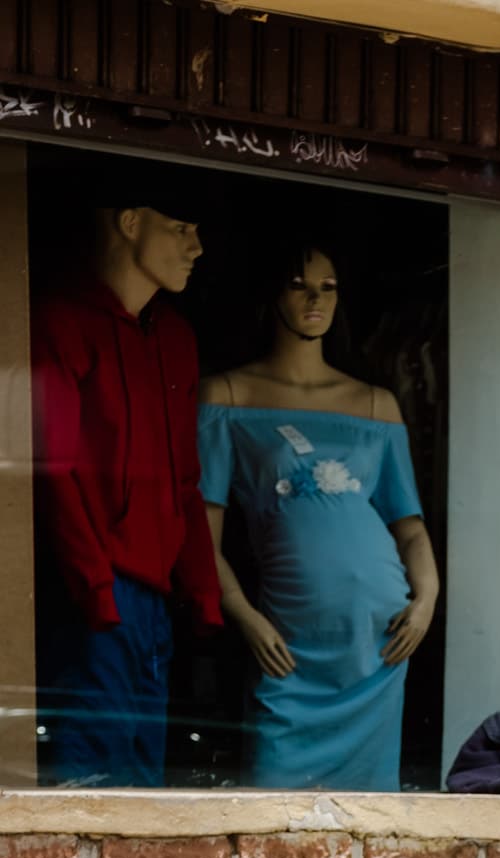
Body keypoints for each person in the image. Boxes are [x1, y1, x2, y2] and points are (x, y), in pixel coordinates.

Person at [198, 240, 439, 790]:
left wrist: (426, 601)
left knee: (368, 814)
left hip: (376, 643)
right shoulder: (229, 395)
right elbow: (201, 534)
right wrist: (244, 615)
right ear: (271, 295)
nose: (315, 299)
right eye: (298, 285)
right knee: (273, 803)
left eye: (328, 287)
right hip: (287, 641)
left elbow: (409, 526)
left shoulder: (376, 403)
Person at [32, 182, 223, 786]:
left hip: (155, 602)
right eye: (181, 228)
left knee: (144, 785)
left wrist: (203, 594)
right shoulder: (60, 322)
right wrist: (95, 589)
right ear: (131, 222)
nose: (196, 247)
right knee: (90, 786)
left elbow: (185, 479)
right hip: (92, 599)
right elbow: (53, 471)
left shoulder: (176, 338)